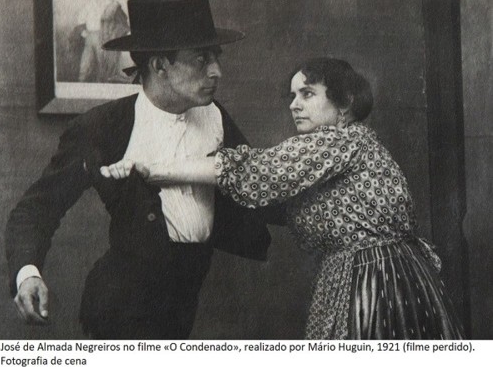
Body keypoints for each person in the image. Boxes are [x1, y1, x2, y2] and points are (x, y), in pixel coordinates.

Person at [103, 57, 464, 340]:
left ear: (345, 102)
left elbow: (257, 170)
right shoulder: (352, 144)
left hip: (373, 283)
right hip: (387, 274)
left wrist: (152, 169)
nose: (294, 105)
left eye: (307, 94)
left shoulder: (338, 142)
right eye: (292, 96)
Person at [5, 0, 271, 339]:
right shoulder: (102, 127)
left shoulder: (215, 116)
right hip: (121, 310)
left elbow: (259, 180)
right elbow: (36, 209)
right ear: (159, 66)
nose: (216, 71)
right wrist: (27, 273)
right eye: (201, 58)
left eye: (215, 57)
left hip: (186, 303)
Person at [76, 0, 131, 83]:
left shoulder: (111, 4)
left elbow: (122, 20)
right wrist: (83, 32)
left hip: (104, 36)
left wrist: (125, 32)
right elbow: (80, 21)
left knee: (104, 65)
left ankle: (103, 86)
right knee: (85, 64)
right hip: (90, 37)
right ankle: (80, 85)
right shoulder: (88, 5)